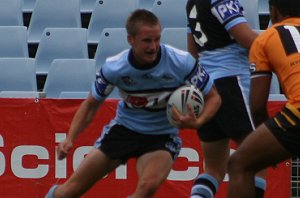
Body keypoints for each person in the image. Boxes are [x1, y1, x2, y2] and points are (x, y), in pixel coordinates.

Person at [45, 9, 221, 198]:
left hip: (162, 137)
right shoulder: (115, 67)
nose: (153, 47)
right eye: (147, 40)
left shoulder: (181, 62)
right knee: (69, 192)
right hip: (124, 130)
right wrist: (70, 138)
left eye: (157, 39)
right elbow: (90, 105)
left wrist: (198, 121)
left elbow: (214, 97)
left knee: (148, 186)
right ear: (131, 40)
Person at [182, 0, 267, 197]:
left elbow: (192, 53)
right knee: (259, 158)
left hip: (205, 87)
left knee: (213, 169)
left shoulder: (191, 3)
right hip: (231, 82)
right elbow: (247, 39)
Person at [227, 0, 300, 197]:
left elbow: (258, 106)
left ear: (273, 12)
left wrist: (267, 143)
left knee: (239, 164)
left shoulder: (266, 38)